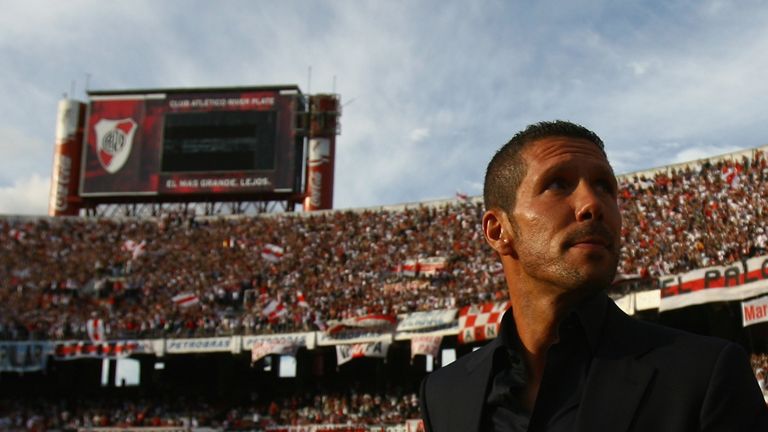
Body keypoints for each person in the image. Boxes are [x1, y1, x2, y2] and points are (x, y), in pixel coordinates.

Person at [419, 120, 768, 431]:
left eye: (604, 186)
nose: (593, 204)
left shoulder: (704, 375)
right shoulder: (444, 394)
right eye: (557, 184)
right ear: (498, 230)